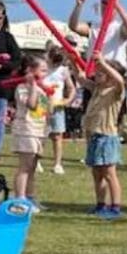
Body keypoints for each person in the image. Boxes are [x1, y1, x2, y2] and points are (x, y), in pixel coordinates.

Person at [83, 56, 127, 220]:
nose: (97, 74)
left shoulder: (116, 91)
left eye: (101, 73)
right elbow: (80, 78)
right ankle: (100, 204)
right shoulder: (97, 89)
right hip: (94, 136)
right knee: (97, 174)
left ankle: (115, 207)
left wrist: (103, 63)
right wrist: (72, 60)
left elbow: (120, 80)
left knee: (109, 174)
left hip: (106, 137)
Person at [10, 55, 50, 211]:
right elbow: (32, 105)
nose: (45, 73)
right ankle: (19, 199)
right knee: (25, 167)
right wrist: (33, 85)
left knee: (32, 167)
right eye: (42, 70)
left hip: (39, 131)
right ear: (31, 70)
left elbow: (44, 110)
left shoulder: (42, 88)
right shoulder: (22, 87)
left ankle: (30, 197)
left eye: (46, 70)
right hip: (26, 130)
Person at [0, 0, 23, 163]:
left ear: (3, 19)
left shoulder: (7, 38)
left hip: (0, 85)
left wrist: (1, 63)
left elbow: (17, 61)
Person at [68, 0, 127, 67]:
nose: (106, 6)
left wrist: (117, 4)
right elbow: (73, 26)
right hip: (95, 70)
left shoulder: (119, 28)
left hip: (113, 70)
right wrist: (78, 5)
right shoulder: (93, 26)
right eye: (104, 3)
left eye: (109, 4)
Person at [42, 45, 77, 174]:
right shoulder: (43, 68)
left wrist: (68, 100)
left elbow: (71, 88)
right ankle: (36, 161)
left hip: (57, 106)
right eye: (54, 61)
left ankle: (57, 164)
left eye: (59, 62)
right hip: (42, 105)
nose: (56, 64)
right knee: (41, 134)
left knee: (57, 136)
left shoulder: (63, 71)